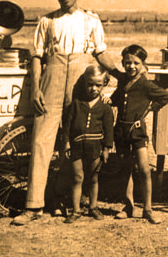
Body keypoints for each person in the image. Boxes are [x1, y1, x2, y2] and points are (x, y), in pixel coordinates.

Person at [12, 0, 116, 226]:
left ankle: (63, 199)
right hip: (52, 77)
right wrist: (36, 88)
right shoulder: (46, 21)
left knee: (74, 139)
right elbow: (36, 56)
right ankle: (33, 206)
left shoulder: (91, 20)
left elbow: (101, 53)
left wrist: (120, 74)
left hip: (80, 78)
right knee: (41, 140)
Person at [110, 44, 168, 224]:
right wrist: (108, 100)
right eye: (127, 62)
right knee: (126, 169)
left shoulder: (145, 84)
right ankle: (128, 206)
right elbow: (116, 98)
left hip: (137, 132)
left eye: (136, 63)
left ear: (143, 64)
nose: (131, 66)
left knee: (144, 170)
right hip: (121, 131)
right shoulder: (123, 81)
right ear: (122, 63)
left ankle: (147, 209)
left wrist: (151, 108)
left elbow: (166, 96)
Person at [61, 65, 114, 223]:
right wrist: (66, 144)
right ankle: (76, 210)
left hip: (95, 147)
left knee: (93, 177)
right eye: (90, 84)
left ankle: (93, 207)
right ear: (84, 83)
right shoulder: (76, 104)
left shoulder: (105, 107)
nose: (93, 88)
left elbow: (108, 130)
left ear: (103, 84)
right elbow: (67, 126)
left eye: (98, 85)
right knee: (77, 177)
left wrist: (106, 148)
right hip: (77, 146)